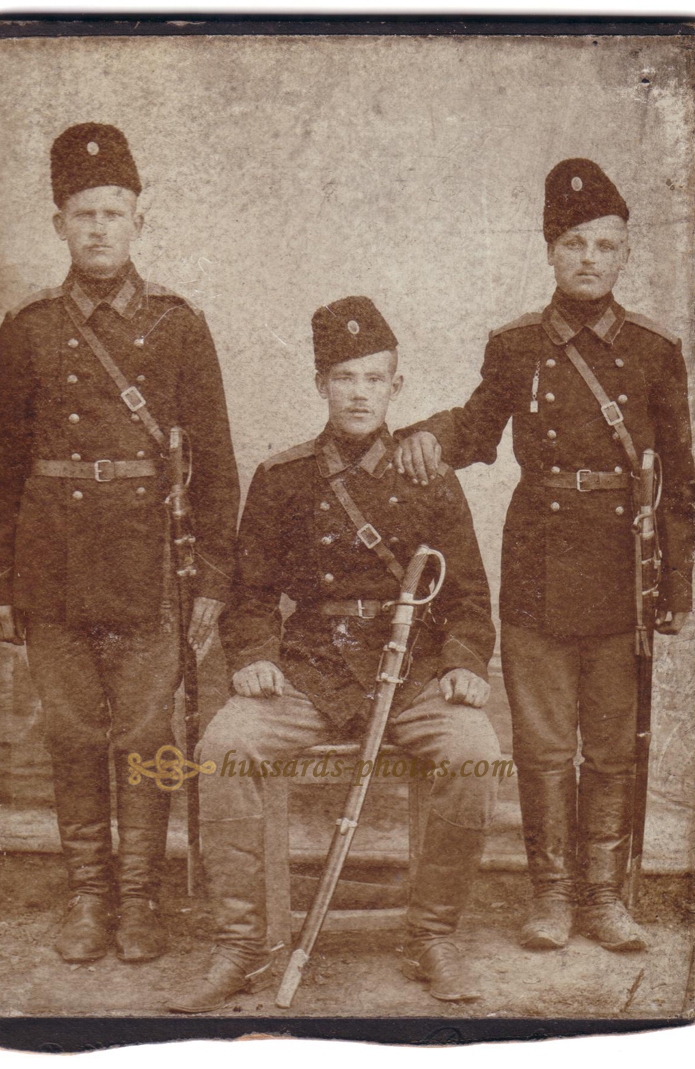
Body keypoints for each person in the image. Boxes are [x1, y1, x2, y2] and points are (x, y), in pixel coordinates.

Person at [395, 159, 695, 953]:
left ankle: (603, 896)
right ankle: (551, 895)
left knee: (611, 745)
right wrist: (422, 434)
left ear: (625, 254)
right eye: (574, 244)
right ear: (550, 250)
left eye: (605, 244)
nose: (589, 259)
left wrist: (677, 583)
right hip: (538, 563)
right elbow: (477, 428)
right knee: (543, 744)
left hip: (624, 571)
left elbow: (681, 480)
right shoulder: (516, 345)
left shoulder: (656, 350)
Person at [168, 295, 501, 1012]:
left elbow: (470, 596)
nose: (358, 393)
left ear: (396, 386)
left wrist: (465, 664)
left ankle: (431, 935)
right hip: (312, 668)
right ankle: (241, 944)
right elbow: (251, 593)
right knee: (224, 746)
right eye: (344, 377)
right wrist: (252, 654)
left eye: (374, 379)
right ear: (321, 383)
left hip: (410, 672)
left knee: (474, 751)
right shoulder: (283, 477)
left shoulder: (431, 475)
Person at [0, 123, 240, 964]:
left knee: (146, 737)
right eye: (83, 213)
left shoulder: (178, 325)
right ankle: (89, 896)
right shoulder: (28, 328)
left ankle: (140, 898)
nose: (98, 228)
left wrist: (213, 580)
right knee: (71, 732)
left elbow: (217, 464)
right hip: (51, 566)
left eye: (113, 212)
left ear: (138, 220)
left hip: (148, 568)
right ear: (59, 223)